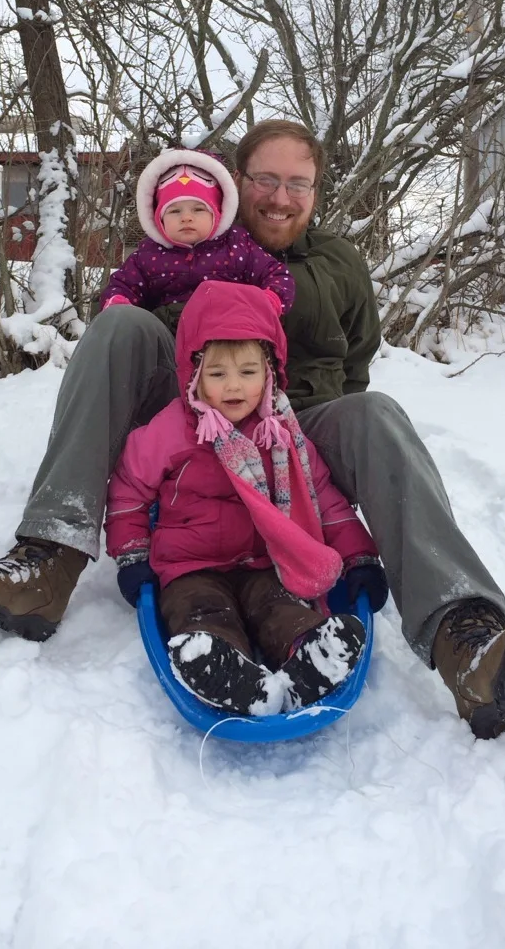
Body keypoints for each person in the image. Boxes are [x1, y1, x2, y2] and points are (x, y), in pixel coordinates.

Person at [0, 120, 505, 740]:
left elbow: (356, 363)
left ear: (316, 190)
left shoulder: (339, 263)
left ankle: (466, 639)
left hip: (300, 424)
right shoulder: (188, 247)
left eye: (298, 183)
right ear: (238, 181)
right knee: (117, 327)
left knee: (376, 412)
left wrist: (316, 460)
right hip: (192, 417)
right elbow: (138, 322)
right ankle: (49, 558)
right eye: (266, 179)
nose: (280, 196)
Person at [105, 280, 386, 714]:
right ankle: (222, 667)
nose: (233, 386)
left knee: (280, 608)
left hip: (264, 562)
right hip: (189, 566)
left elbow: (322, 500)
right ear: (194, 374)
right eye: (217, 374)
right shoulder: (172, 430)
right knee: (201, 612)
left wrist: (359, 557)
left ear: (269, 373)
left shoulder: (281, 434)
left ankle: (309, 654)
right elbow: (129, 490)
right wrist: (132, 555)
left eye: (248, 372)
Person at [98, 145, 295, 319]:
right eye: (175, 211)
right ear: (159, 219)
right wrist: (118, 304)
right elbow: (122, 285)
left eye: (198, 209)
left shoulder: (237, 245)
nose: (186, 217)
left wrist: (270, 300)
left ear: (217, 214)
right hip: (167, 334)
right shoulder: (148, 255)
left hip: (228, 330)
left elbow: (276, 274)